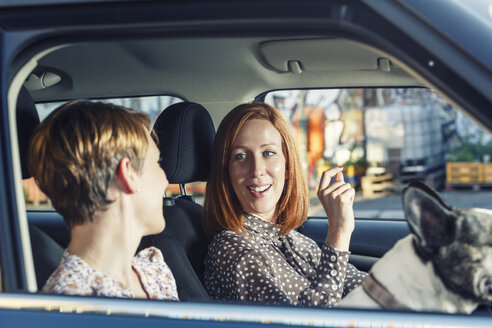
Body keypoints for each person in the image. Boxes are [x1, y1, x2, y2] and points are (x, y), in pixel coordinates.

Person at [203, 103, 366, 307]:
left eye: (268, 153)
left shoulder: (290, 239)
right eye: (240, 156)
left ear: (287, 166)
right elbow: (307, 323)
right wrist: (339, 232)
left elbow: (365, 287)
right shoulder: (233, 252)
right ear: (226, 173)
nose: (257, 170)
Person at [29, 100, 178, 300]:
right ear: (129, 174)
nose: (165, 179)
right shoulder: (73, 302)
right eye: (156, 162)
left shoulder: (153, 269)